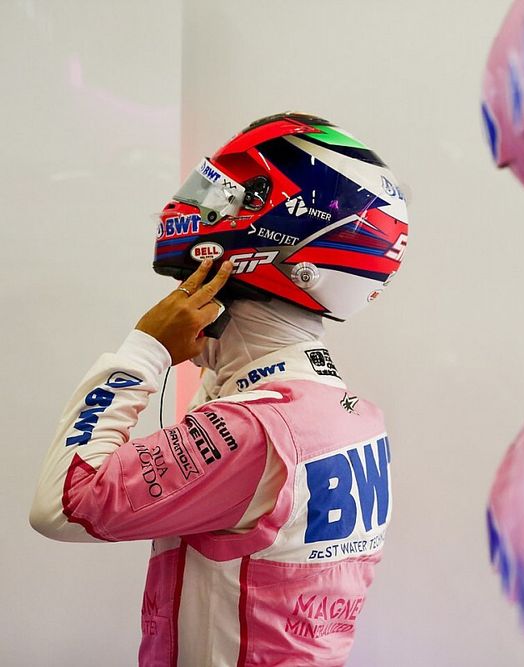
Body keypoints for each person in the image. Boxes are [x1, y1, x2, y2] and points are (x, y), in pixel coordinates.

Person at [29, 112, 409, 666]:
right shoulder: (341, 414)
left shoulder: (253, 431)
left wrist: (146, 349)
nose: (209, 205)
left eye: (237, 195)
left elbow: (64, 505)